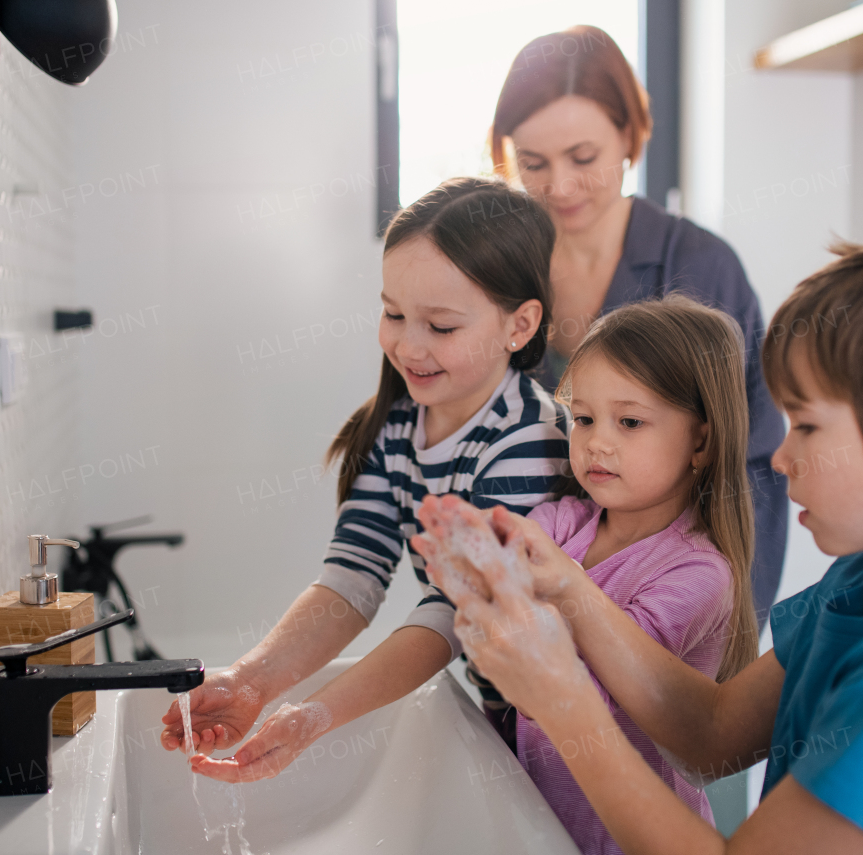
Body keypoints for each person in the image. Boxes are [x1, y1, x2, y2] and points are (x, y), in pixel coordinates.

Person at [419, 222, 863, 854]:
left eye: (809, 427)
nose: (780, 456)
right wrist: (568, 587)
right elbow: (711, 736)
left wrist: (561, 699)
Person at [159, 178, 572, 779]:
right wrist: (251, 680)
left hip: (572, 727)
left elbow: (455, 615)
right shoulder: (398, 425)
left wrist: (315, 715)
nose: (407, 344)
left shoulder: (528, 441)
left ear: (520, 325)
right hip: (508, 707)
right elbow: (353, 577)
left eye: (442, 326)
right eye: (393, 313)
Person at [417, 297, 759, 854]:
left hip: (632, 832)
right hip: (544, 818)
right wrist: (473, 564)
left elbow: (583, 683)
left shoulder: (699, 573)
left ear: (701, 440)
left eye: (629, 422)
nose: (597, 441)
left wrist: (520, 597)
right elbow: (504, 623)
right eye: (583, 419)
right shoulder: (562, 521)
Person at [490, 25, 787, 621]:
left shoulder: (698, 266)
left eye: (583, 158)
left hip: (671, 604)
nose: (560, 186)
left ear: (629, 135)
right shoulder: (499, 271)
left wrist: (717, 637)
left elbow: (746, 463)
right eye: (533, 163)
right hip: (532, 592)